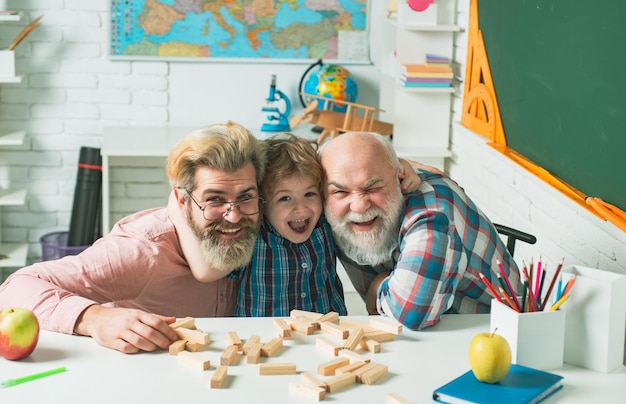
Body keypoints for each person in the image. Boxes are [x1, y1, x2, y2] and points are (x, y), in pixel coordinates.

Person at [0, 121, 267, 353]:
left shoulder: (261, 223)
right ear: (181, 200)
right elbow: (14, 287)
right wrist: (95, 319)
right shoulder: (142, 251)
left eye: (245, 196)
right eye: (214, 200)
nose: (233, 217)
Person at [170, 134, 423, 317]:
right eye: (284, 198)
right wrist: (175, 202)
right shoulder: (253, 235)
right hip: (266, 342)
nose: (300, 209)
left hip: (328, 333)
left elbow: (356, 168)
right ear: (263, 203)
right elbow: (209, 266)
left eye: (310, 195)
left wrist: (402, 165)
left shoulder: (325, 224)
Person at [319, 131, 521, 331]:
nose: (359, 206)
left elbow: (411, 315)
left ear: (399, 177)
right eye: (340, 191)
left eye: (372, 188)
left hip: (491, 334)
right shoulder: (323, 205)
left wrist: (378, 286)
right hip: (420, 336)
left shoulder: (434, 215)